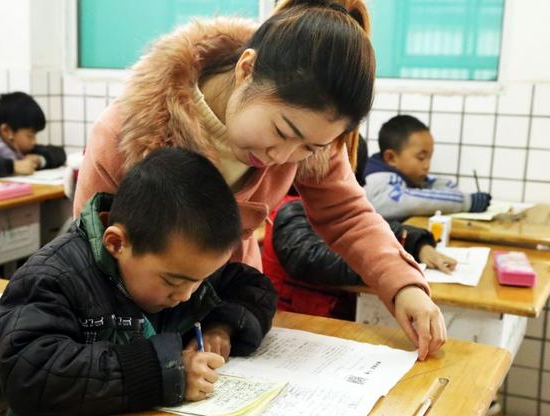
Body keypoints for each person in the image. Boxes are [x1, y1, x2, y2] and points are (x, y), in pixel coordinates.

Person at [74, 0, 446, 360]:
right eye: (282, 130)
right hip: (135, 329)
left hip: (231, 317)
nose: (283, 157)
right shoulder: (128, 132)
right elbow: (89, 255)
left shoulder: (310, 136)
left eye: (309, 148)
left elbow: (346, 215)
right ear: (246, 69)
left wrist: (404, 286)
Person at [0, 148, 277, 416]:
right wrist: (165, 373)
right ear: (116, 244)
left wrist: (223, 326)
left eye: (201, 280)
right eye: (173, 282)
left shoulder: (182, 262)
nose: (186, 295)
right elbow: (30, 375)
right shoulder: (52, 279)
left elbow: (253, 287)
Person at [262, 136, 457, 319]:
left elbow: (370, 228)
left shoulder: (331, 206)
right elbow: (311, 259)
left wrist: (416, 243)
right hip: (294, 321)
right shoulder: (289, 209)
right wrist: (381, 267)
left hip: (328, 314)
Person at [364, 114, 492, 221]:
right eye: (421, 157)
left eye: (429, 157)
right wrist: (466, 202)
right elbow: (409, 202)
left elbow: (447, 186)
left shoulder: (406, 178)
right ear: (391, 158)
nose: (427, 166)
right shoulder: (376, 179)